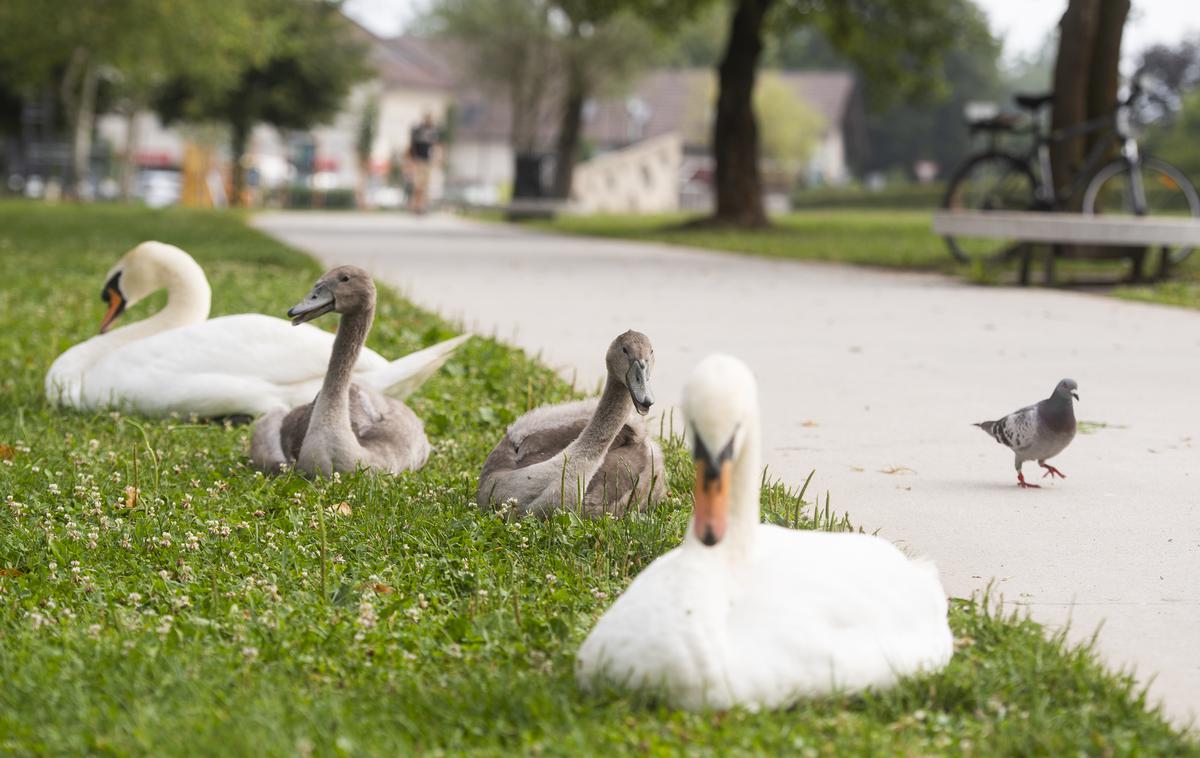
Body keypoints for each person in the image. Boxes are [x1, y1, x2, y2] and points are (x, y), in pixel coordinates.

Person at [406, 113, 440, 213]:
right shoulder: (417, 130)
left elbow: (435, 146)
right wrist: (409, 161)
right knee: (417, 184)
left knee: (424, 185)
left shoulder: (433, 131)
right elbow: (411, 145)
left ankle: (421, 205)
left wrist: (437, 158)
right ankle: (415, 205)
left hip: (427, 162)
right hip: (417, 161)